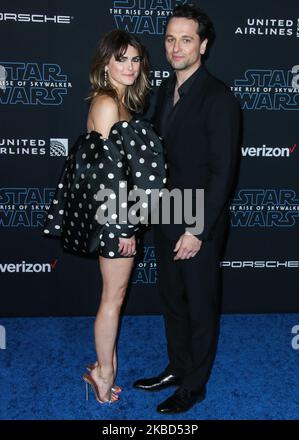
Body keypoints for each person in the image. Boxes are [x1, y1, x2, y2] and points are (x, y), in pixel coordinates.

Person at [43, 29, 166, 404]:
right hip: (116, 220)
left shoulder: (120, 102)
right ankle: (102, 374)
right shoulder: (109, 104)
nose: (130, 66)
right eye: (121, 59)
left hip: (118, 216)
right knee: (113, 297)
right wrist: (124, 226)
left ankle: (104, 364)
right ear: (105, 63)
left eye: (135, 59)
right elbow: (110, 176)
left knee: (115, 294)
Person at [133, 4, 241, 413]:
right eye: (170, 38)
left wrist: (196, 230)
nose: (176, 47)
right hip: (165, 213)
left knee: (199, 306)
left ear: (204, 45)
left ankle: (194, 386)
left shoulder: (218, 98)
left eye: (186, 39)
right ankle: (178, 368)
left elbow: (222, 172)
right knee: (173, 301)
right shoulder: (163, 91)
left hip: (197, 221)